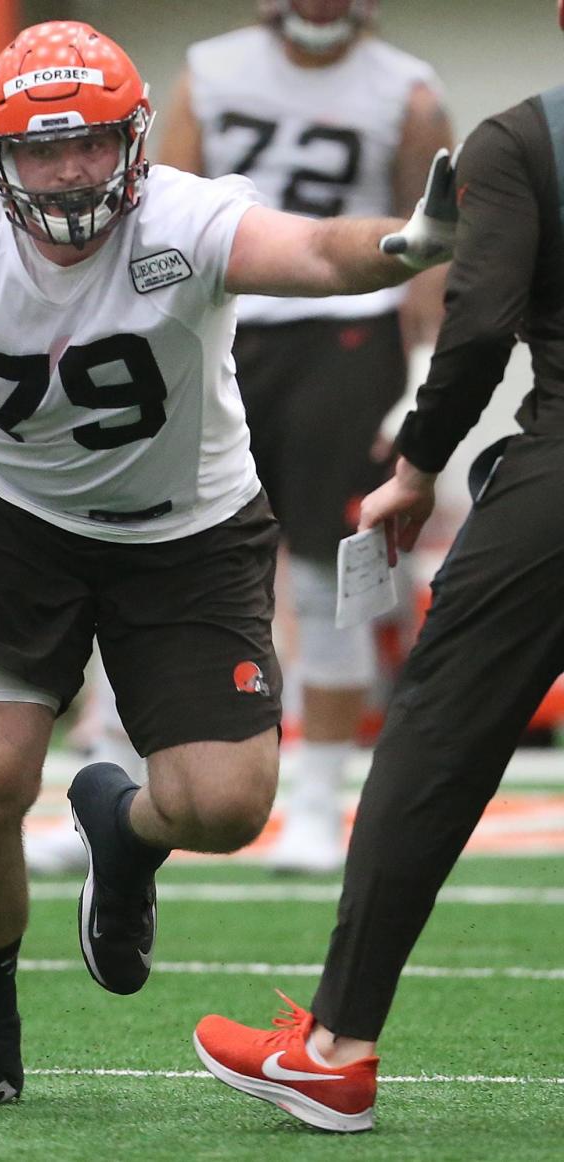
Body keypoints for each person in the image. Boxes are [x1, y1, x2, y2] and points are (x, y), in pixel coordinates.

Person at [0, 19, 455, 1108]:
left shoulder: (185, 216)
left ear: (135, 140)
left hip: (188, 532)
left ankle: (124, 821)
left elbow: (308, 249)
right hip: (10, 523)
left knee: (225, 807)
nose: (70, 171)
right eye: (45, 148)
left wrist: (402, 244)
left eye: (93, 142)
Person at [191, 0, 564, 1133]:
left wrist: (417, 460)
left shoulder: (523, 134)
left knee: (440, 735)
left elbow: (481, 315)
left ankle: (337, 1046)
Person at [158, 0, 454, 873]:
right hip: (226, 323)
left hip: (346, 328)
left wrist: (427, 365)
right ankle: (133, 776)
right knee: (160, 548)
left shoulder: (406, 90)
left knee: (333, 563)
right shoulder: (209, 70)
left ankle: (322, 799)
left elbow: (430, 238)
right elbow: (165, 211)